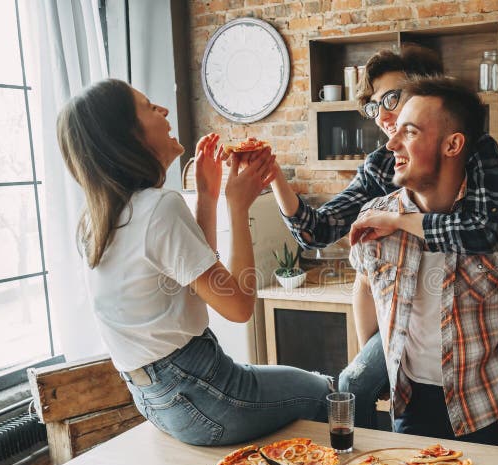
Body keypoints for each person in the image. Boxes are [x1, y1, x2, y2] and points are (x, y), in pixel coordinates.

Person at [270, 45, 498, 452]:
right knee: (356, 380)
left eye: (395, 101)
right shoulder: (380, 166)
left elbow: (482, 230)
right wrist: (274, 178)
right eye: (376, 108)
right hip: (416, 388)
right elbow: (321, 233)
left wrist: (399, 223)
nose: (386, 119)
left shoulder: (480, 154)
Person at [56, 79, 331, 446]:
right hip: (204, 393)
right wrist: (237, 207)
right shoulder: (159, 207)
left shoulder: (97, 219)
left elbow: (195, 283)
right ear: (128, 136)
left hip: (159, 400)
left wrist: (208, 196)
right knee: (328, 391)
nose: (164, 110)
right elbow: (238, 307)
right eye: (149, 106)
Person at [348, 76, 498, 445]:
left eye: (409, 132)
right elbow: (364, 289)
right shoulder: (375, 220)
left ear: (453, 144)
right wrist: (382, 371)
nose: (391, 143)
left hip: (485, 411)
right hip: (411, 409)